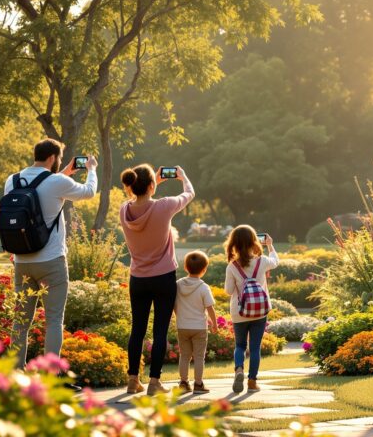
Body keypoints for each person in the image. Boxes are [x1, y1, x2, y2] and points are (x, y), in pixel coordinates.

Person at [7, 139, 98, 371]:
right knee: (54, 320)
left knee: (20, 322)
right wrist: (92, 170)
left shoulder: (12, 180)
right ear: (52, 158)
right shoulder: (57, 181)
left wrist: (66, 172)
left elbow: (40, 188)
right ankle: (50, 374)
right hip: (51, 262)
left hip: (21, 261)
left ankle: (16, 372)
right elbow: (88, 192)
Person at [119, 164, 195, 396]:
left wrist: (153, 181)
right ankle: (154, 382)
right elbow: (189, 193)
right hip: (163, 278)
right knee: (159, 330)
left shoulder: (124, 210)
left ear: (132, 186)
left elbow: (140, 197)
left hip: (138, 279)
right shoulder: (164, 206)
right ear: (151, 186)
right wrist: (182, 176)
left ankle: (133, 380)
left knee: (137, 329)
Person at [224, 226, 279, 393]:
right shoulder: (262, 261)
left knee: (240, 345)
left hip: (239, 312)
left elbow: (228, 291)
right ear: (254, 241)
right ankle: (252, 381)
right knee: (255, 347)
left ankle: (239, 369)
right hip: (259, 311)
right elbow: (276, 261)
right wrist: (270, 245)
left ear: (233, 243)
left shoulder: (232, 266)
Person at [174, 250, 218, 394]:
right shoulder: (203, 287)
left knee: (184, 356)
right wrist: (215, 324)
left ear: (186, 267)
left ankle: (183, 382)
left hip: (182, 326)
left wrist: (177, 316)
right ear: (204, 269)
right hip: (199, 327)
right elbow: (210, 308)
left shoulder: (178, 285)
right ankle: (198, 384)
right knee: (199, 356)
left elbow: (174, 305)